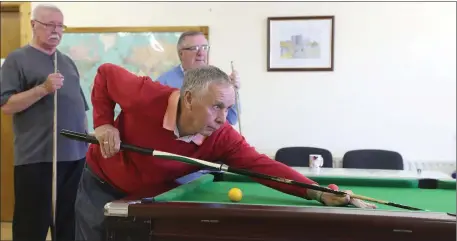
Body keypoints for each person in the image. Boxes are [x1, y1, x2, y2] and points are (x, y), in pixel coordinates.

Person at [74, 63, 376, 241]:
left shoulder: (221, 137)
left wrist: (320, 192)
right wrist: (103, 124)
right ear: (189, 99)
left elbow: (263, 167)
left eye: (228, 108)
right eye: (217, 106)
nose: (223, 117)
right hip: (100, 184)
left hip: (149, 199)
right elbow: (104, 74)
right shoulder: (145, 95)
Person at [0, 4, 89, 241]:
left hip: (74, 159)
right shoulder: (17, 60)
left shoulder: (67, 62)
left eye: (61, 26)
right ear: (33, 25)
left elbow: (79, 106)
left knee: (69, 225)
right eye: (50, 25)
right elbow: (6, 105)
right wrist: (42, 89)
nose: (56, 31)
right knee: (32, 226)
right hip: (37, 159)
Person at [157, 31, 240, 125]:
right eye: (194, 48)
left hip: (212, 139)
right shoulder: (163, 83)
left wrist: (233, 91)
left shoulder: (219, 81)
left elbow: (232, 119)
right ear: (181, 54)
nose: (201, 53)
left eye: (204, 48)